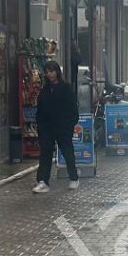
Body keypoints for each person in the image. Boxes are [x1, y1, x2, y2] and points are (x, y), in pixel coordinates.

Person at [33, 61, 80, 192]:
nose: (50, 74)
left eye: (52, 71)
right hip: (47, 128)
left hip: (62, 127)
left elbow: (73, 110)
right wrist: (41, 126)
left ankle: (74, 178)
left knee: (67, 152)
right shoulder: (45, 90)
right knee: (45, 154)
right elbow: (40, 109)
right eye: (47, 72)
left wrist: (68, 125)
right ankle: (43, 181)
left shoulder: (66, 88)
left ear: (57, 72)